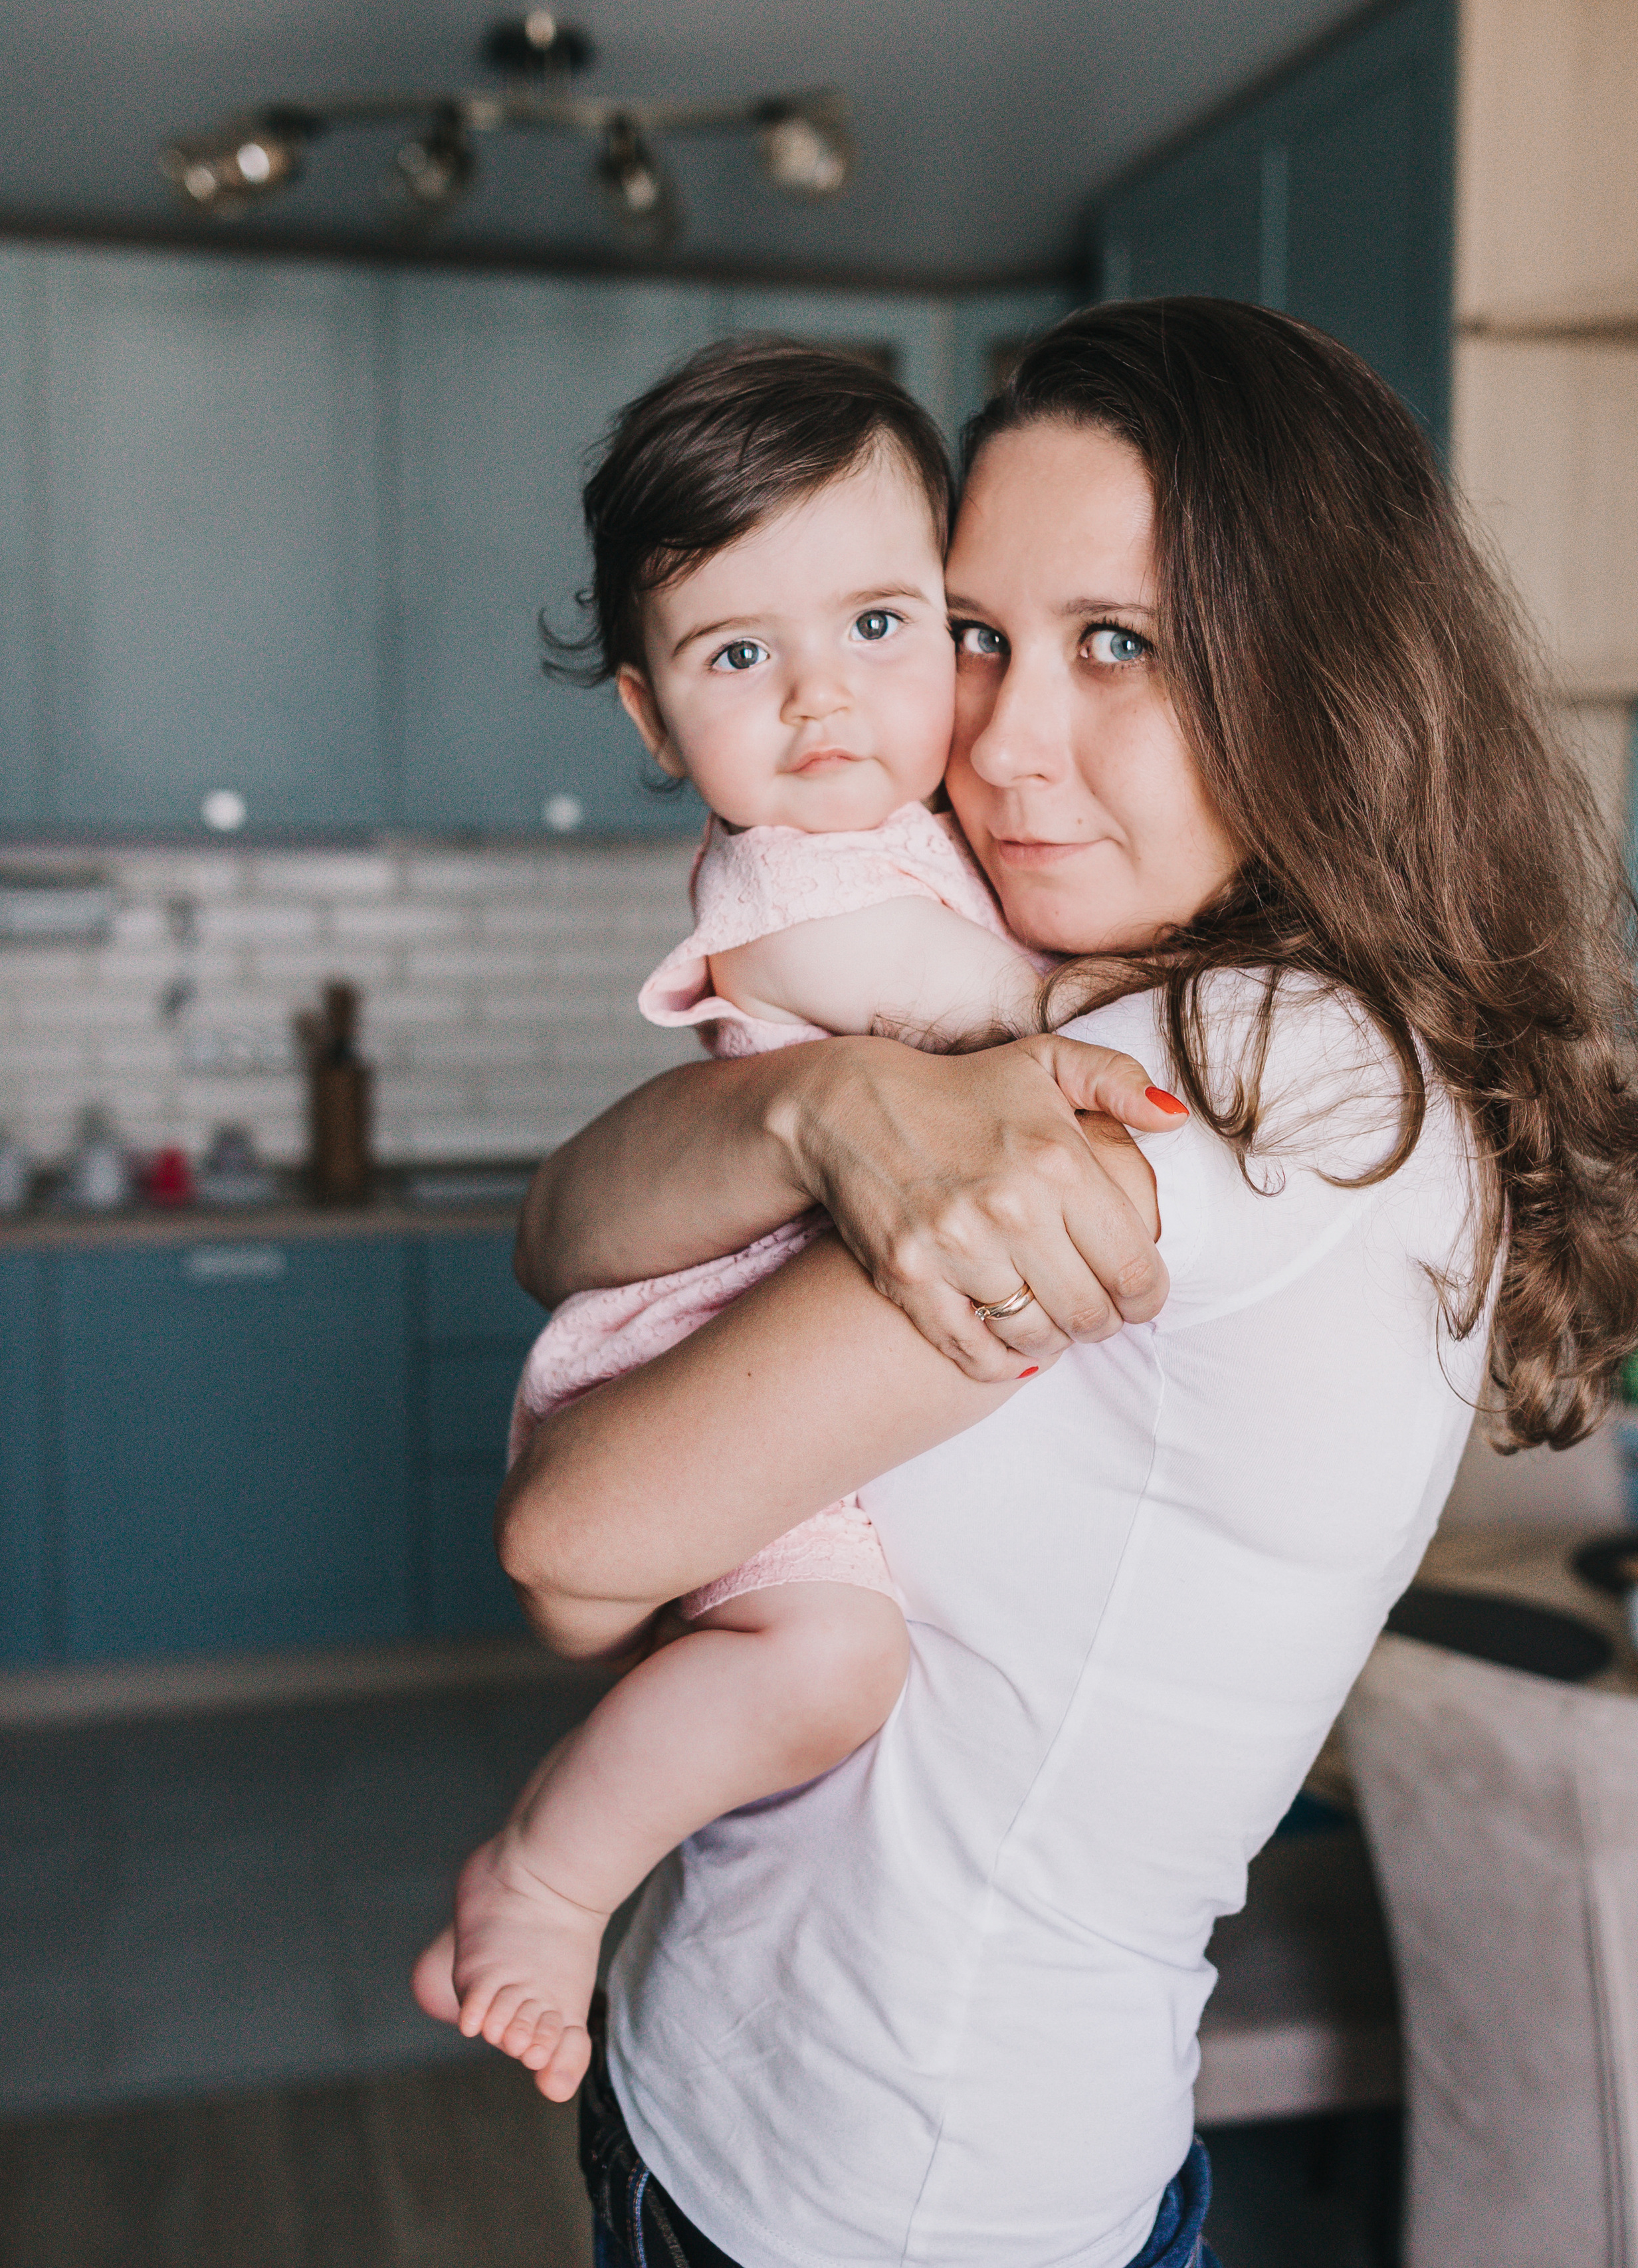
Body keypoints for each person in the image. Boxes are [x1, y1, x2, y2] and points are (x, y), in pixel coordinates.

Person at [501, 301, 1638, 2268]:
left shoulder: (1251, 1084)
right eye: (977, 638)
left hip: (879, 2201)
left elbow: (572, 1540)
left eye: (1118, 645)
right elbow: (566, 1215)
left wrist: (833, 1109)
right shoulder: (1097, 999)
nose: (1005, 743)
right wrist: (823, 1117)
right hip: (744, 2080)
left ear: (1317, 673)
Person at [413, 341, 1181, 2105]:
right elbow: (947, 991)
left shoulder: (927, 824)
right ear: (648, 714)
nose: (823, 700)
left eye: (886, 628)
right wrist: (1129, 991)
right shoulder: (798, 873)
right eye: (742, 654)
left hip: (770, 1338)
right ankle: (542, 1881)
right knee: (829, 1657)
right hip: (697, 1343)